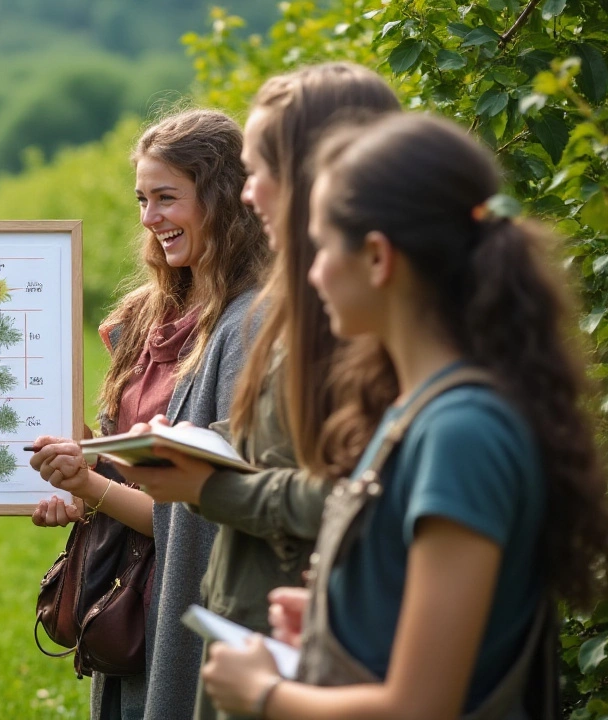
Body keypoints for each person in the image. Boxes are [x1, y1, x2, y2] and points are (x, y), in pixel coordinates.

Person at [201, 113, 608, 718]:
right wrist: (334, 618)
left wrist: (265, 695)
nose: (310, 273)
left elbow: (420, 707)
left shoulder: (461, 432)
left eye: (321, 246)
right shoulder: (420, 411)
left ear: (376, 258)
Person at [106, 64, 400, 720]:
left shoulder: (303, 321)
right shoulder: (290, 310)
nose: (250, 191)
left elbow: (348, 496)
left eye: (260, 168)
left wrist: (202, 482)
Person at [29, 108, 269, 720]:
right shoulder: (146, 315)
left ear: (222, 199)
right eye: (141, 199)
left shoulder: (250, 326)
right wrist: (76, 470)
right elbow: (122, 467)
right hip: (128, 597)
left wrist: (91, 484)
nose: (149, 218)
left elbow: (213, 507)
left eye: (167, 197)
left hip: (192, 607)